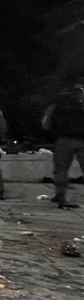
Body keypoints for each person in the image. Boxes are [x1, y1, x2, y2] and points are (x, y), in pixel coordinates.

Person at [42, 77, 84, 209]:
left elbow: (45, 123)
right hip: (82, 140)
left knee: (61, 170)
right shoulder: (82, 101)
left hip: (63, 140)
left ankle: (61, 197)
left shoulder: (58, 101)